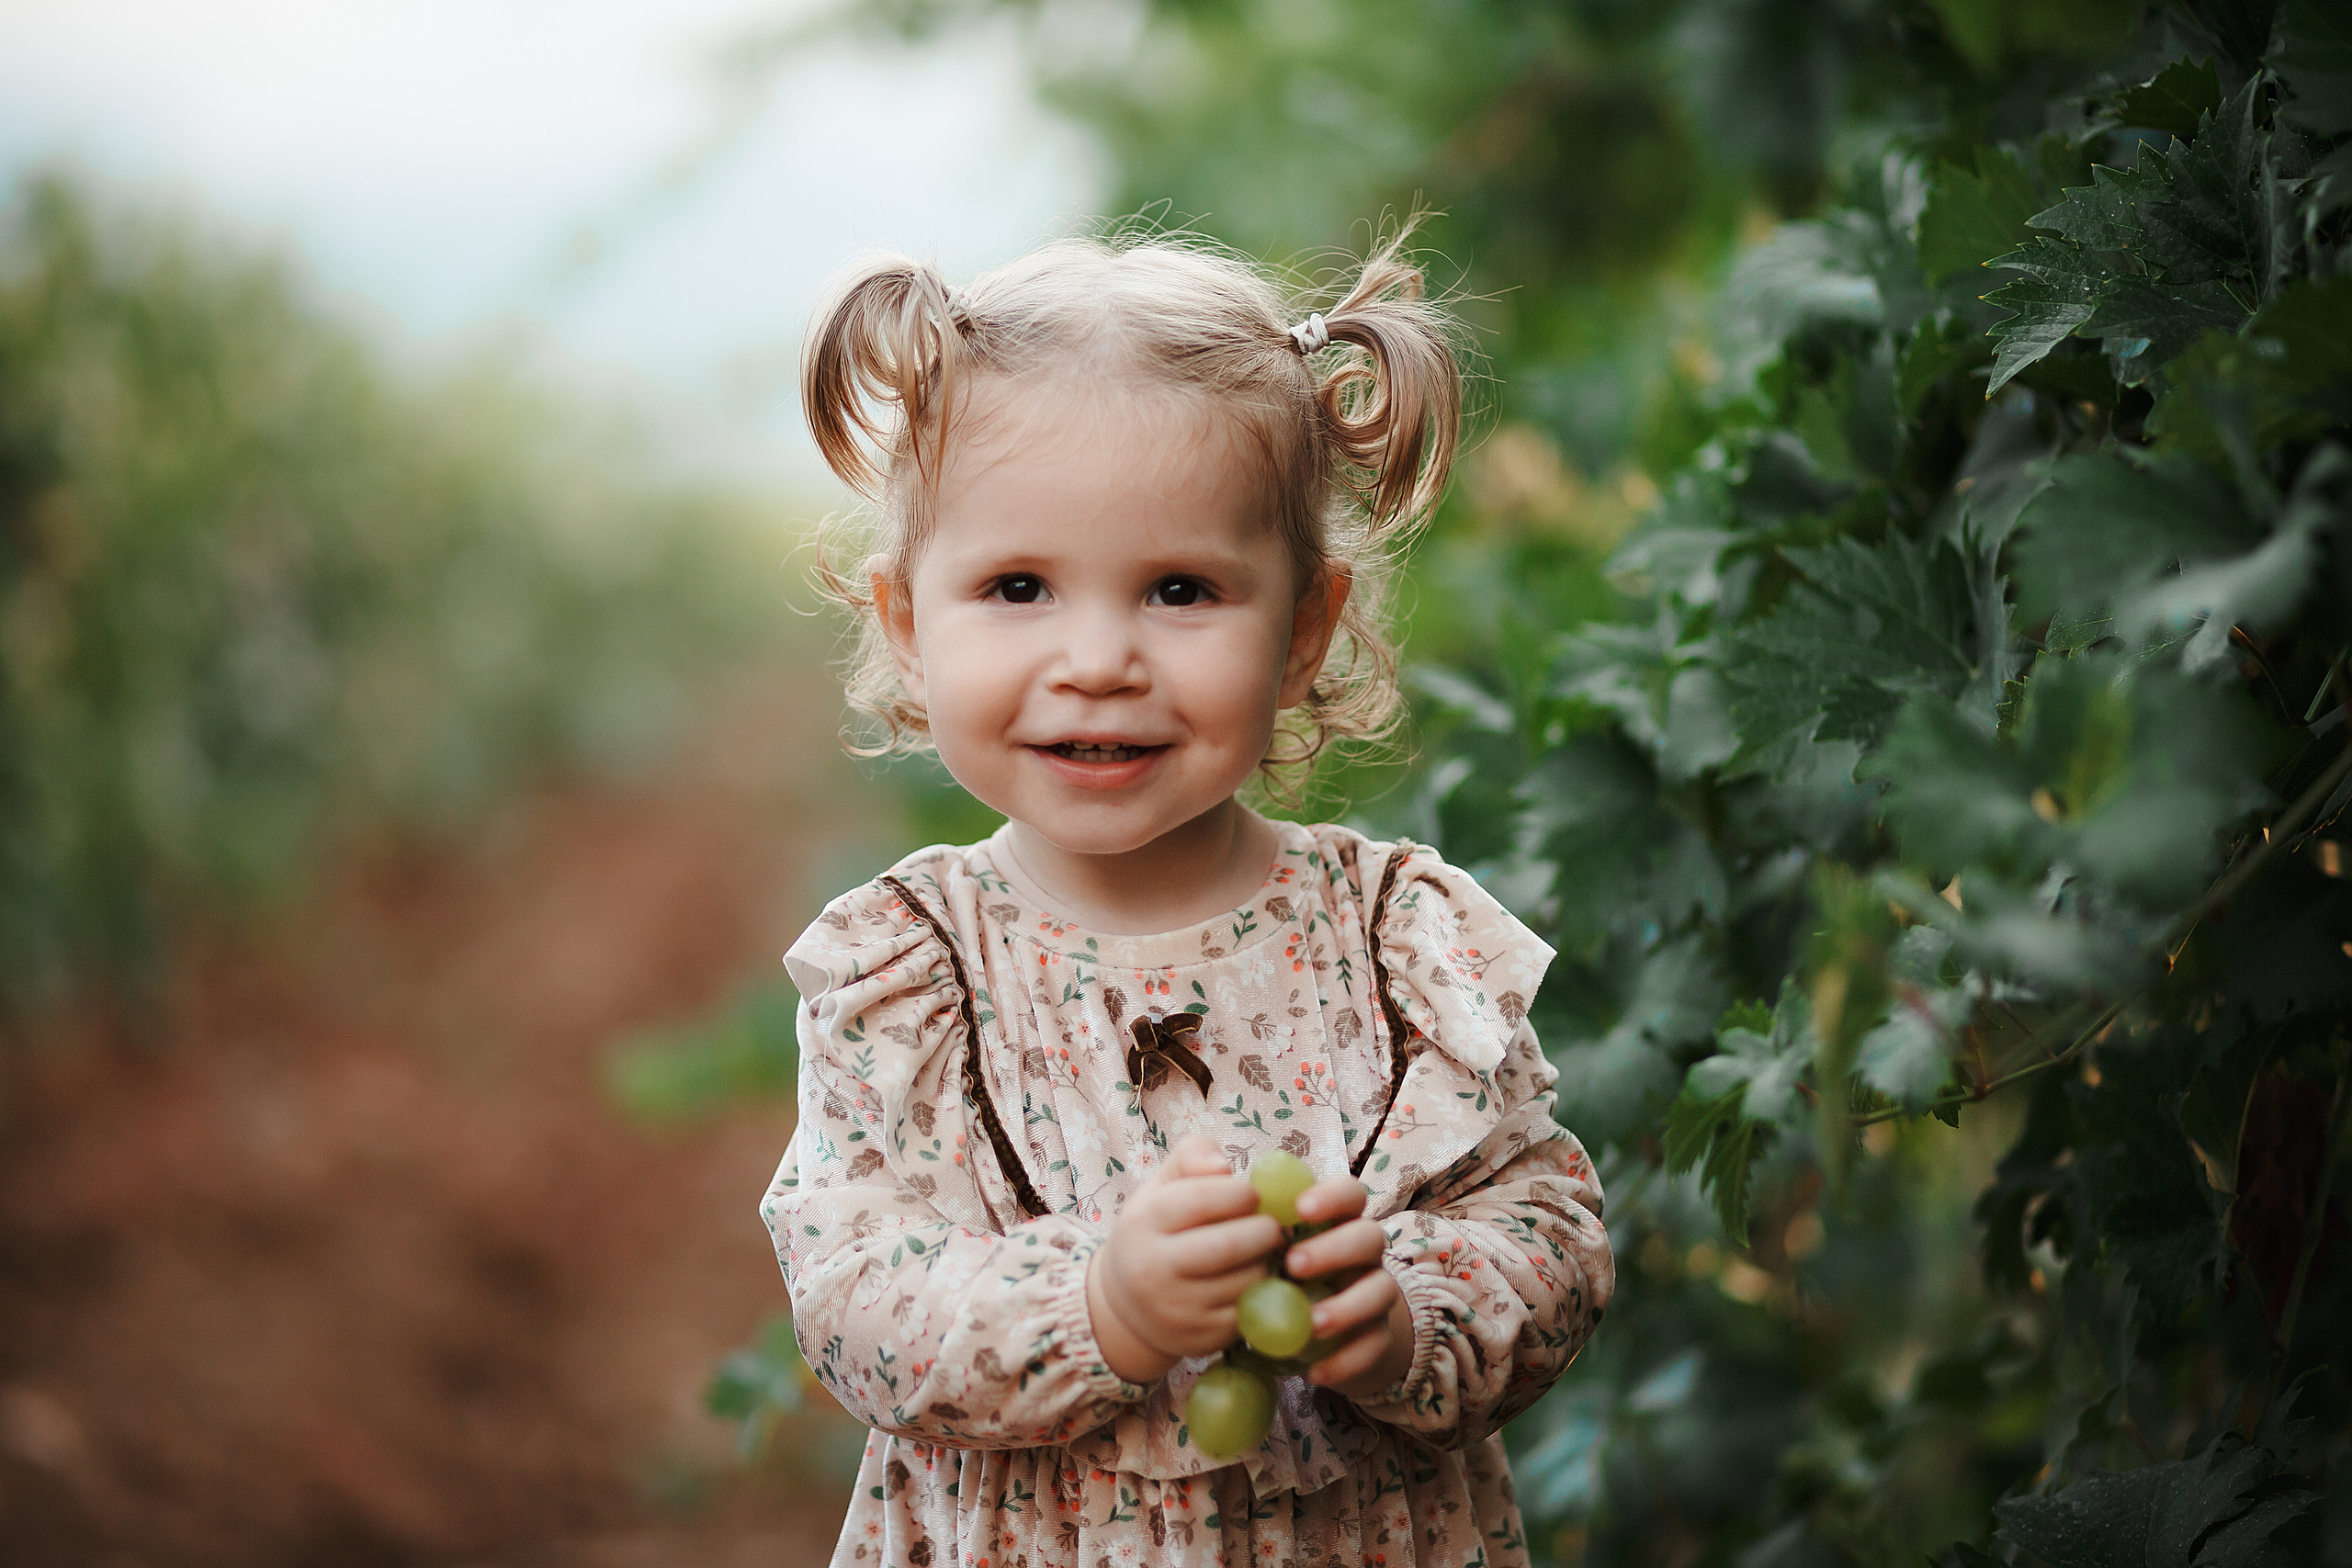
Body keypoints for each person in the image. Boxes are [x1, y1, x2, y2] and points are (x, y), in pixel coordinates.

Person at [760, 222, 1613, 1568]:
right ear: (911, 625)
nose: (1099, 660)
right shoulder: (910, 973)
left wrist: (1405, 1312)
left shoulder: (1397, 942)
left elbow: (1549, 1229)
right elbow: (852, 1300)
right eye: (1019, 587)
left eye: (1179, 589)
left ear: (1303, 630)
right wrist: (1097, 1310)